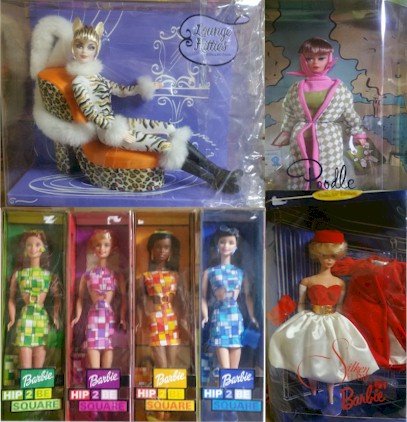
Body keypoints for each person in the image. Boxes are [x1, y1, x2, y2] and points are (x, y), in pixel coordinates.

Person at [67, 18, 242, 193]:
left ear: (96, 50)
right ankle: (213, 180)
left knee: (170, 128)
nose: (84, 51)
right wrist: (118, 131)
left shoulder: (97, 78)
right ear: (73, 48)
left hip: (118, 122)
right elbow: (91, 113)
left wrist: (145, 87)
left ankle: (218, 171)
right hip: (107, 131)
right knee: (165, 146)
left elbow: (121, 90)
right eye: (79, 45)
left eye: (90, 47)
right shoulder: (79, 82)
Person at [268, 230, 379, 414]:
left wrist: (343, 326)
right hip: (312, 320)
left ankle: (331, 395)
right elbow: (301, 304)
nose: (329, 260)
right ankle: (312, 392)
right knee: (313, 356)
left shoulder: (340, 283)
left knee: (333, 357)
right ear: (317, 255)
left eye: (333, 256)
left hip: (333, 321)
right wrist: (300, 325)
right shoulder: (308, 281)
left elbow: (340, 306)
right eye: (325, 256)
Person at [272, 38, 367, 190]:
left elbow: (348, 112)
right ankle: (301, 194)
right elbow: (290, 113)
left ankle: (331, 191)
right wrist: (285, 133)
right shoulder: (296, 88)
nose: (315, 63)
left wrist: (357, 133)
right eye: (309, 59)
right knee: (301, 169)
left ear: (329, 59)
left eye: (321, 58)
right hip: (301, 138)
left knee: (330, 167)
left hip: (328, 137)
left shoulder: (338, 88)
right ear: (303, 60)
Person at [201, 226, 258, 370]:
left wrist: (252, 317)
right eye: (222, 242)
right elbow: (202, 297)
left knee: (234, 368)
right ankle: (222, 382)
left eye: (230, 242)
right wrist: (205, 316)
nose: (226, 246)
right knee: (225, 367)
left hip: (235, 317)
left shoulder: (240, 272)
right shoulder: (210, 272)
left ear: (236, 246)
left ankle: (230, 383)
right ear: (217, 244)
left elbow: (247, 296)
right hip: (219, 316)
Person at [71, 230, 127, 369]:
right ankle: (95, 376)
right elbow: (80, 297)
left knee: (108, 345)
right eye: (98, 245)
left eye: (106, 245)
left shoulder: (116, 275)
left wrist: (122, 318)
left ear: (112, 248)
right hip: (94, 315)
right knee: (92, 344)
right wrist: (77, 316)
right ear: (93, 248)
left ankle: (106, 378)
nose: (102, 249)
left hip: (109, 315)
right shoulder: (88, 274)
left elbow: (124, 297)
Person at [7, 230, 61, 368]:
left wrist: (55, 316)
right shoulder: (19, 274)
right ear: (25, 249)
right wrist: (12, 319)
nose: (33, 248)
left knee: (39, 369)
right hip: (25, 319)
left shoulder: (49, 276)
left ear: (43, 248)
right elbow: (11, 298)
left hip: (41, 319)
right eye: (29, 245)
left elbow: (57, 298)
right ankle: (26, 381)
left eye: (37, 244)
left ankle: (38, 381)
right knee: (25, 366)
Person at [137, 230, 188, 368]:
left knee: (171, 365)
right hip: (155, 318)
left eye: (166, 247)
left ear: (171, 251)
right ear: (152, 249)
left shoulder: (176, 276)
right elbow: (140, 302)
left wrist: (184, 319)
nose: (162, 251)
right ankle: (160, 381)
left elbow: (183, 300)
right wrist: (141, 321)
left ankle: (168, 383)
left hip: (172, 318)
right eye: (158, 247)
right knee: (162, 365)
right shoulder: (146, 276)